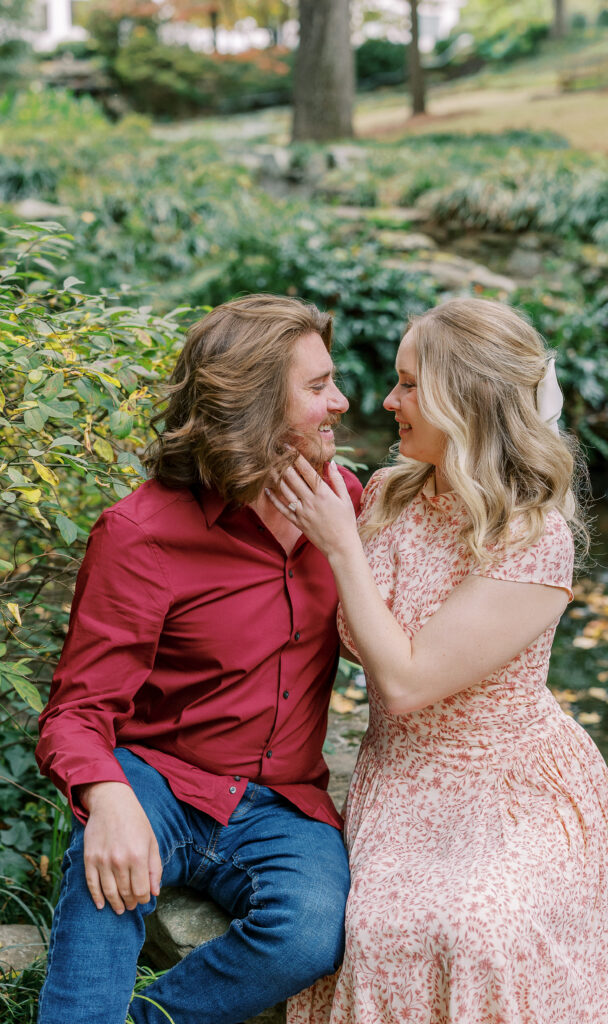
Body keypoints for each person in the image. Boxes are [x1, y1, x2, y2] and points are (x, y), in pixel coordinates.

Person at [268, 297, 608, 1024]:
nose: (386, 401)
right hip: (402, 781)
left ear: (462, 399)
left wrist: (341, 547)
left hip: (511, 787)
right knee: (377, 932)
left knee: (480, 928)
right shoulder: (385, 494)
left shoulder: (532, 536)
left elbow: (404, 683)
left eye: (408, 385)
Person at [35, 294, 363, 1024]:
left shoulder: (343, 506)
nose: (339, 402)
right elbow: (78, 714)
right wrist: (110, 799)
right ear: (250, 406)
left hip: (283, 803)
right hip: (162, 778)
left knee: (311, 933)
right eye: (316, 388)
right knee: (106, 873)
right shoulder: (141, 535)